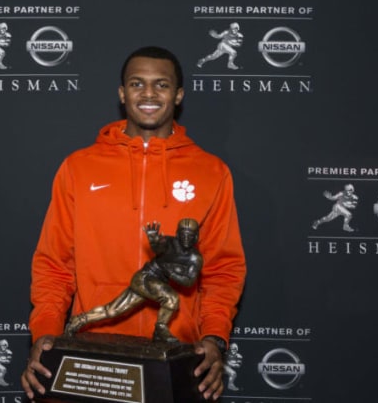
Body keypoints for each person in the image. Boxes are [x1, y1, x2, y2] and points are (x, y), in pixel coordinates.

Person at [21, 46, 247, 401]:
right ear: (122, 93)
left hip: (173, 361)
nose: (149, 94)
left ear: (179, 94)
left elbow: (222, 270)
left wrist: (214, 337)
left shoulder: (211, 172)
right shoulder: (79, 167)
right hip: (90, 362)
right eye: (137, 83)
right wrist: (46, 332)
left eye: (162, 85)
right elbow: (54, 263)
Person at [64, 219, 203, 343]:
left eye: (190, 235)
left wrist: (171, 273)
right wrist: (154, 240)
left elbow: (189, 281)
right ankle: (160, 329)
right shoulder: (169, 242)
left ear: (196, 236)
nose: (186, 238)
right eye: (184, 234)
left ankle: (80, 320)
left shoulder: (195, 258)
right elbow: (159, 248)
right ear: (178, 233)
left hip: (154, 284)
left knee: (112, 311)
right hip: (145, 278)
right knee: (171, 298)